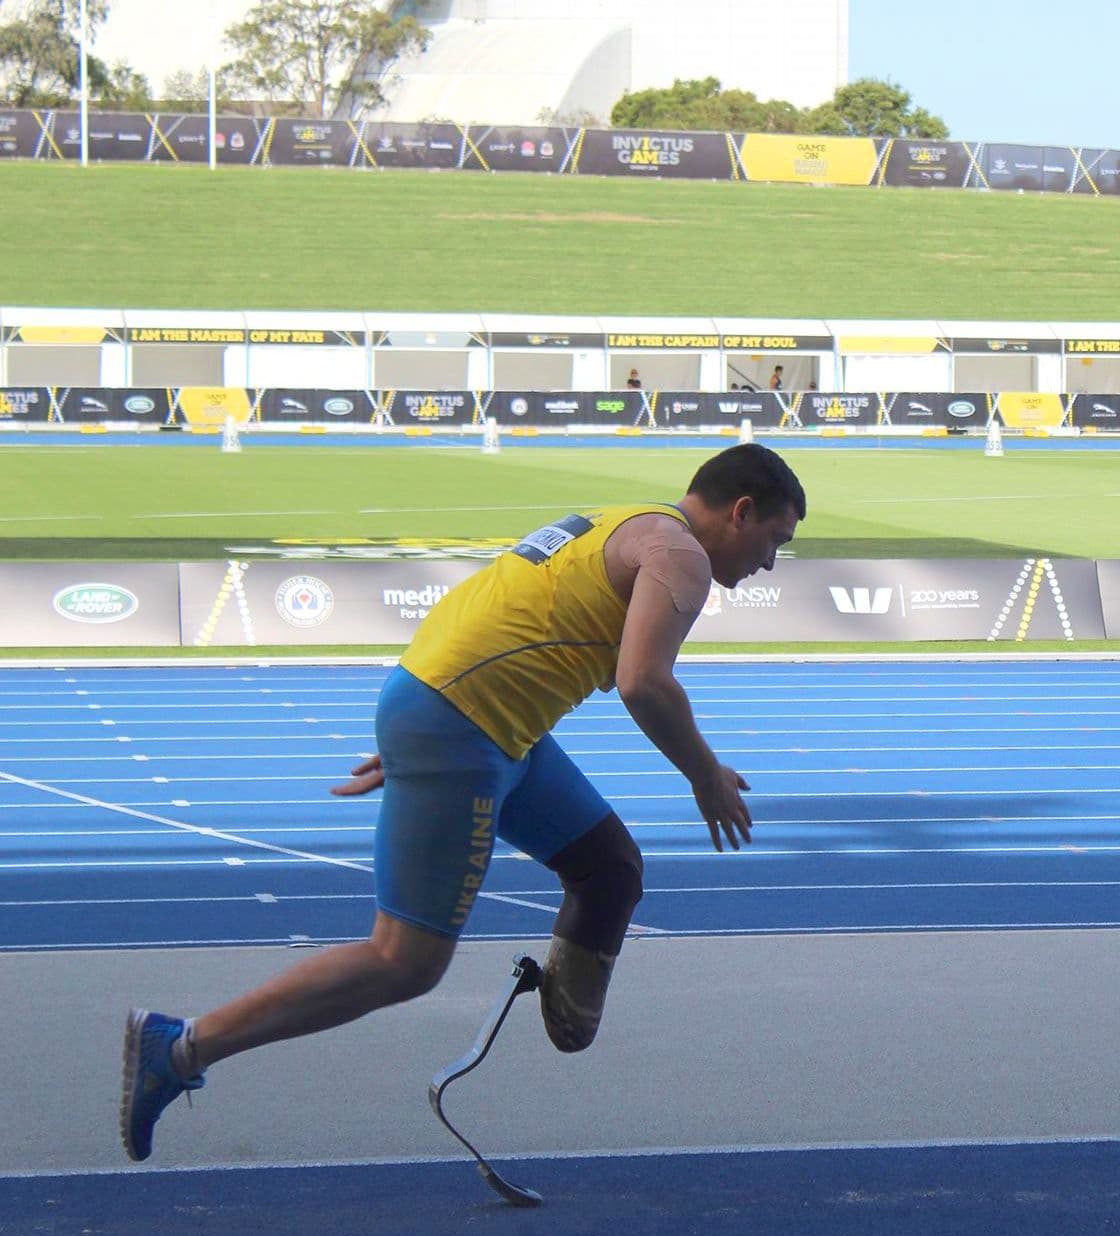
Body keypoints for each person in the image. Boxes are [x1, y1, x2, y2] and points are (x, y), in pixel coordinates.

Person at [121, 444, 806, 1162]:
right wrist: (703, 774)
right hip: (465, 727)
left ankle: (569, 1016)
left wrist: (419, 717)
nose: (767, 563)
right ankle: (182, 1047)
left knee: (609, 867)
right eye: (773, 542)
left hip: (477, 723)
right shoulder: (680, 554)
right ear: (741, 511)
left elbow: (489, 603)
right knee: (404, 961)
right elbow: (644, 682)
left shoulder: (620, 520)